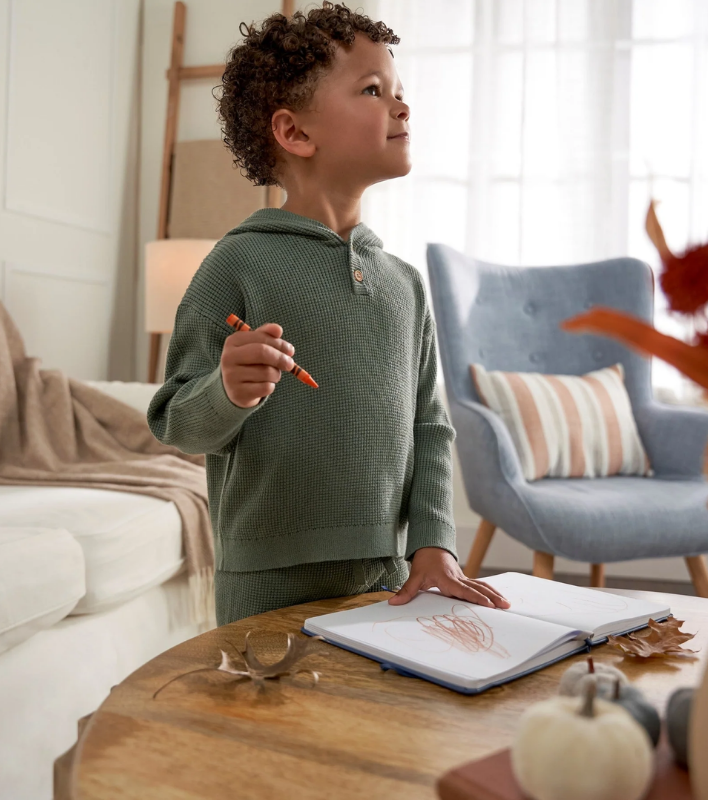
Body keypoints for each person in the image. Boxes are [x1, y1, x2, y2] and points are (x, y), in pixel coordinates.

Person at [147, 1, 510, 625]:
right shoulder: (236, 264)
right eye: (373, 90)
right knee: (269, 721)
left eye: (398, 90)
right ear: (295, 133)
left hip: (389, 573)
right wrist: (227, 391)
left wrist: (434, 543)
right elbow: (174, 422)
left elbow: (429, 426)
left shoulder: (406, 285)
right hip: (266, 578)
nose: (401, 106)